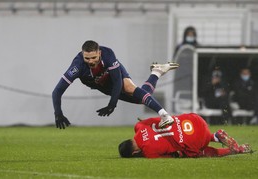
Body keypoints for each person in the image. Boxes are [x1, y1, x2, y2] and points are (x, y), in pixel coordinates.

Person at [52, 40, 179, 129]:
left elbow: (118, 81)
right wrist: (58, 113)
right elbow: (57, 91)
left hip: (115, 75)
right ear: (82, 55)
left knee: (129, 88)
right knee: (142, 98)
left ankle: (164, 115)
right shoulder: (77, 66)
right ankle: (156, 72)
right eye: (87, 58)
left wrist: (112, 104)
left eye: (93, 58)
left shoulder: (108, 54)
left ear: (99, 53)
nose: (90, 61)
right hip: (103, 86)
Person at [118, 113, 253, 158]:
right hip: (195, 120)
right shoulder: (139, 126)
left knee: (193, 153)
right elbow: (156, 119)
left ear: (134, 152)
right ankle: (215, 136)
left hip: (196, 140)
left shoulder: (149, 153)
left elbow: (172, 156)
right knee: (183, 129)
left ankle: (234, 150)